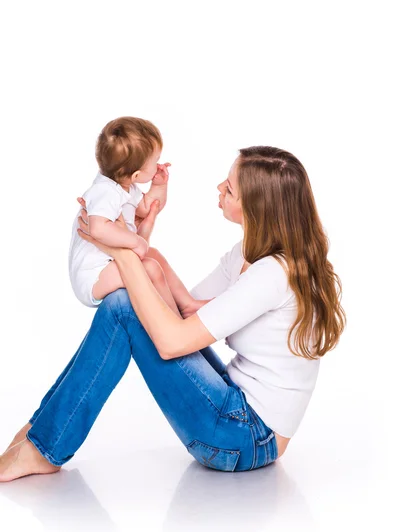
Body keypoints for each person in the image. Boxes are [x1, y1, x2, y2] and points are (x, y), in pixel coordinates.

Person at [0, 146, 346, 482]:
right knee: (129, 300)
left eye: (230, 188)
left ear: (257, 208)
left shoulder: (272, 274)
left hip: (246, 439)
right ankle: (43, 432)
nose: (219, 189)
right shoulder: (249, 253)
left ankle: (44, 445)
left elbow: (170, 341)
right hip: (236, 408)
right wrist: (137, 232)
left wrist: (120, 251)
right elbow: (180, 311)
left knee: (122, 307)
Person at [68, 116, 177, 313]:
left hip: (110, 263)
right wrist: (136, 242)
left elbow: (148, 207)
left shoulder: (125, 186)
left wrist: (159, 185)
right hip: (93, 275)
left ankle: (184, 304)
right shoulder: (105, 191)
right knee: (151, 269)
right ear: (135, 175)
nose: (158, 165)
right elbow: (98, 228)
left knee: (155, 257)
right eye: (156, 161)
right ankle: (174, 320)